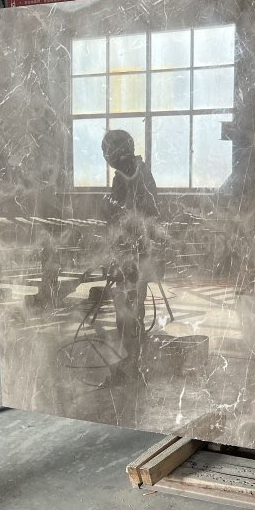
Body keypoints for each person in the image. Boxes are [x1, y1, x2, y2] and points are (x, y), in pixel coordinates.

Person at [99, 130, 165, 388]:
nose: (105, 156)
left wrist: (111, 209)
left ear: (119, 151)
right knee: (130, 310)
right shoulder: (134, 173)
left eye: (107, 150)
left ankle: (132, 365)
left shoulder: (133, 176)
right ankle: (133, 363)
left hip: (134, 255)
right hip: (132, 254)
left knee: (128, 311)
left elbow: (138, 216)